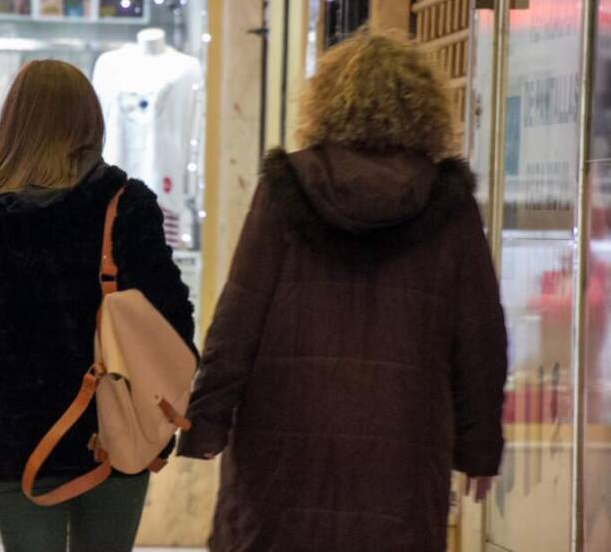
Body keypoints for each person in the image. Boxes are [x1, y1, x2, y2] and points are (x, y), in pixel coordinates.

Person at [177, 30, 509, 552]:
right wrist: (480, 446)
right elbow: (480, 337)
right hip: (403, 446)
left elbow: (239, 314)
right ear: (425, 108)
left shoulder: (287, 188)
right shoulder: (448, 205)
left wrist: (206, 423)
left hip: (282, 448)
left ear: (325, 102)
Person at [0, 60, 194, 552]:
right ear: (90, 120)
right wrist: (161, 422)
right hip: (114, 430)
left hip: (13, 444)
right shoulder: (127, 204)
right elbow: (172, 322)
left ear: (12, 123)